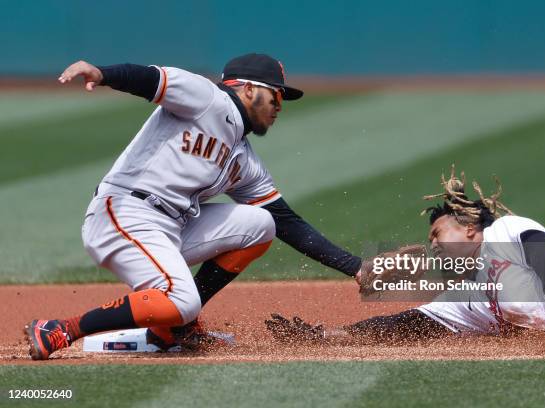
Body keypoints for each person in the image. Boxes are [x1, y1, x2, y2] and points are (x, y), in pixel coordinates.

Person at [24, 54, 364, 360]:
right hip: (124, 213)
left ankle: (174, 329)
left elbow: (287, 222)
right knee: (183, 302)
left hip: (170, 227)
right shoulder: (207, 98)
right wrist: (102, 73)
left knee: (261, 225)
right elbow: (149, 79)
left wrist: (357, 268)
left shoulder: (244, 160)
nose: (279, 105)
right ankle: (61, 328)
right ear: (247, 89)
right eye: (276, 94)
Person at [267, 166, 545, 343]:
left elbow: (537, 242)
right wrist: (330, 335)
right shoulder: (472, 298)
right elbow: (411, 324)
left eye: (437, 233)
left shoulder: (501, 233)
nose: (434, 244)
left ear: (469, 225)